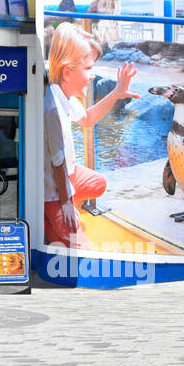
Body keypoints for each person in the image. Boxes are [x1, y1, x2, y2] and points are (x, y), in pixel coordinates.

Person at [44, 23, 139, 248]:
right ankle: (52, 217)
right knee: (83, 249)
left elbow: (87, 119)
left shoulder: (62, 94)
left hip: (66, 177)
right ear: (68, 71)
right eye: (88, 68)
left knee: (98, 183)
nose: (93, 75)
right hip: (53, 191)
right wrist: (66, 203)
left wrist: (116, 93)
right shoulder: (52, 108)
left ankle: (56, 224)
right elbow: (58, 161)